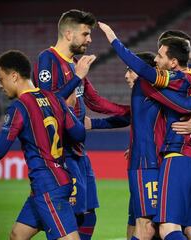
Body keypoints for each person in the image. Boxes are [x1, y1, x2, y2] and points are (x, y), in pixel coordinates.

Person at [99, 22, 191, 240]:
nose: (155, 60)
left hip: (175, 157)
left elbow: (182, 105)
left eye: (160, 55)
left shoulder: (173, 79)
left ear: (173, 62)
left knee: (164, 228)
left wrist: (114, 40)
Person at [33, 9, 131, 240]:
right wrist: (77, 76)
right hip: (61, 152)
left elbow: (95, 101)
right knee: (68, 216)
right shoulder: (47, 59)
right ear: (69, 33)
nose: (89, 39)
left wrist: (133, 111)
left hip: (79, 152)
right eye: (85, 34)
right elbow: (47, 103)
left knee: (88, 215)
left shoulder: (76, 63)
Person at [0, 50, 85, 240]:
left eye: (0, 78)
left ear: (14, 76)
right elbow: (79, 133)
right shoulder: (55, 99)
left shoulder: (19, 107)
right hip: (53, 182)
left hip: (48, 187)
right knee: (17, 235)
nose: (0, 85)